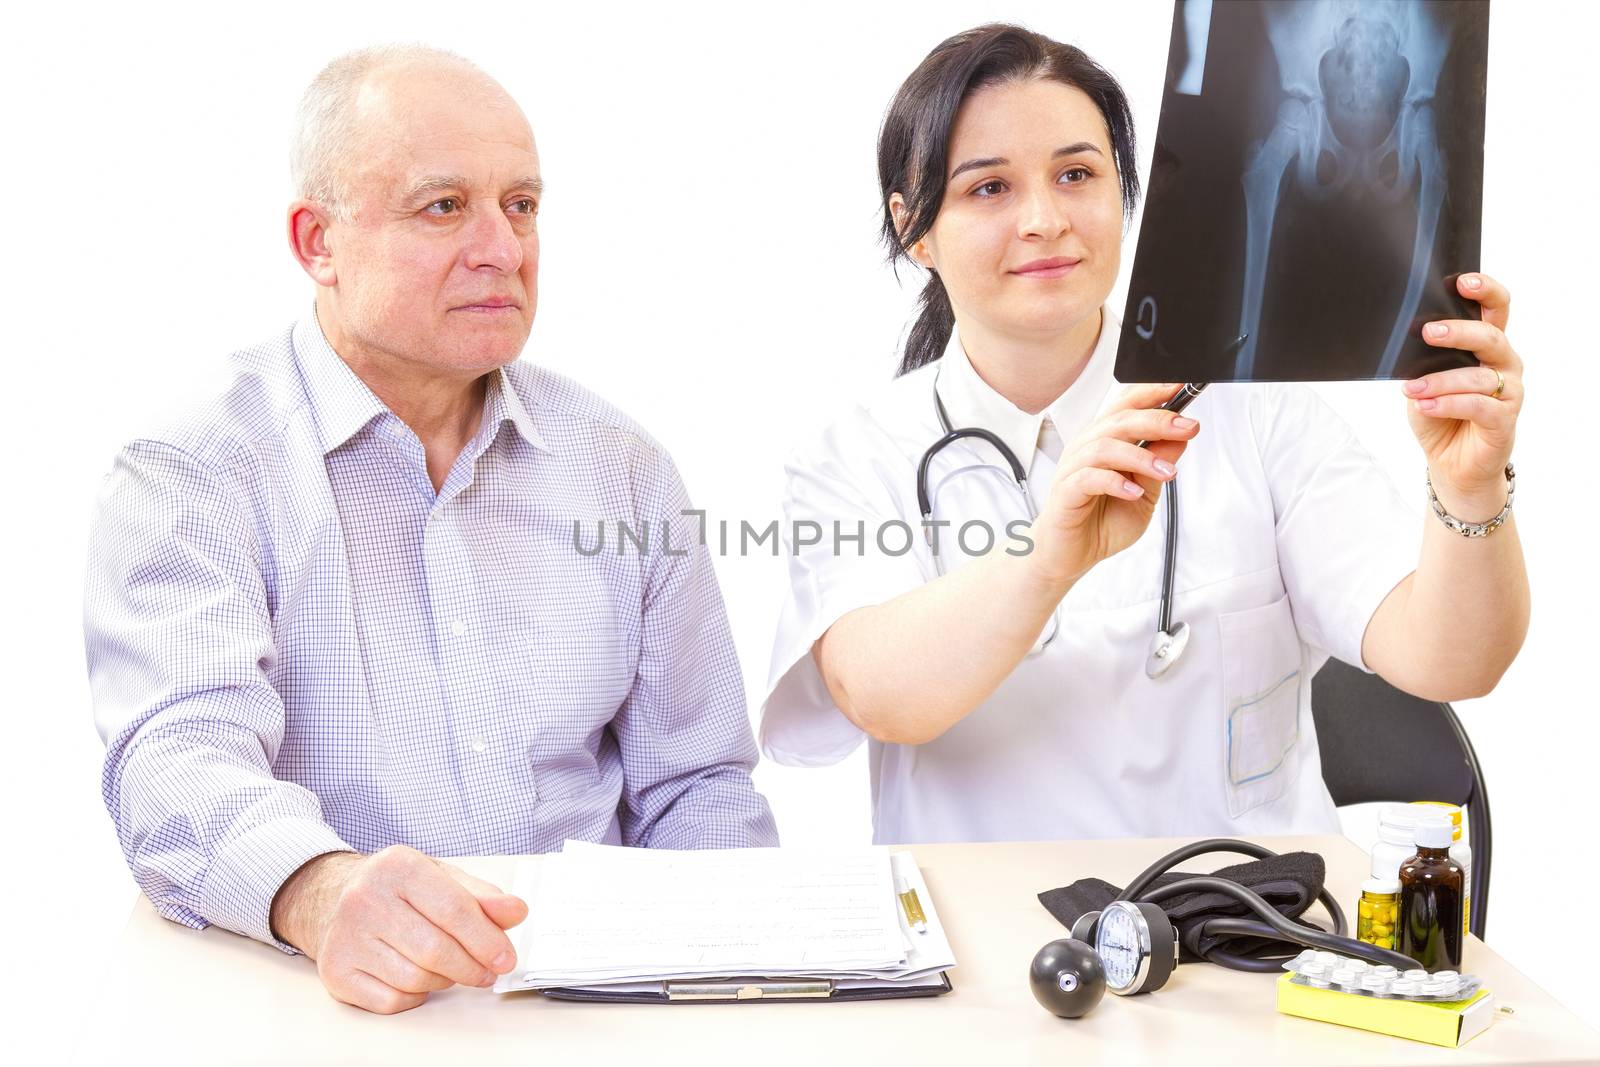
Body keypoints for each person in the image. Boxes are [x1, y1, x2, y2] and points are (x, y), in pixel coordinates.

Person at [85, 45, 777, 1016]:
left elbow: (698, 786)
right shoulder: (195, 465)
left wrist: (728, 998)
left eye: (522, 205)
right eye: (443, 206)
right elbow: (174, 759)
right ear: (316, 241)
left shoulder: (621, 468)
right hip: (318, 1000)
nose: (503, 246)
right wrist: (317, 890)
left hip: (589, 1005)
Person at [761, 24, 1528, 845]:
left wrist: (1470, 485)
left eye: (1077, 174)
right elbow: (881, 695)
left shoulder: (1256, 412)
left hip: (1248, 938)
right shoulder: (856, 455)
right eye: (989, 189)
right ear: (914, 228)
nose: (1046, 219)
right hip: (981, 952)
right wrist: (1053, 554)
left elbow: (1453, 660)